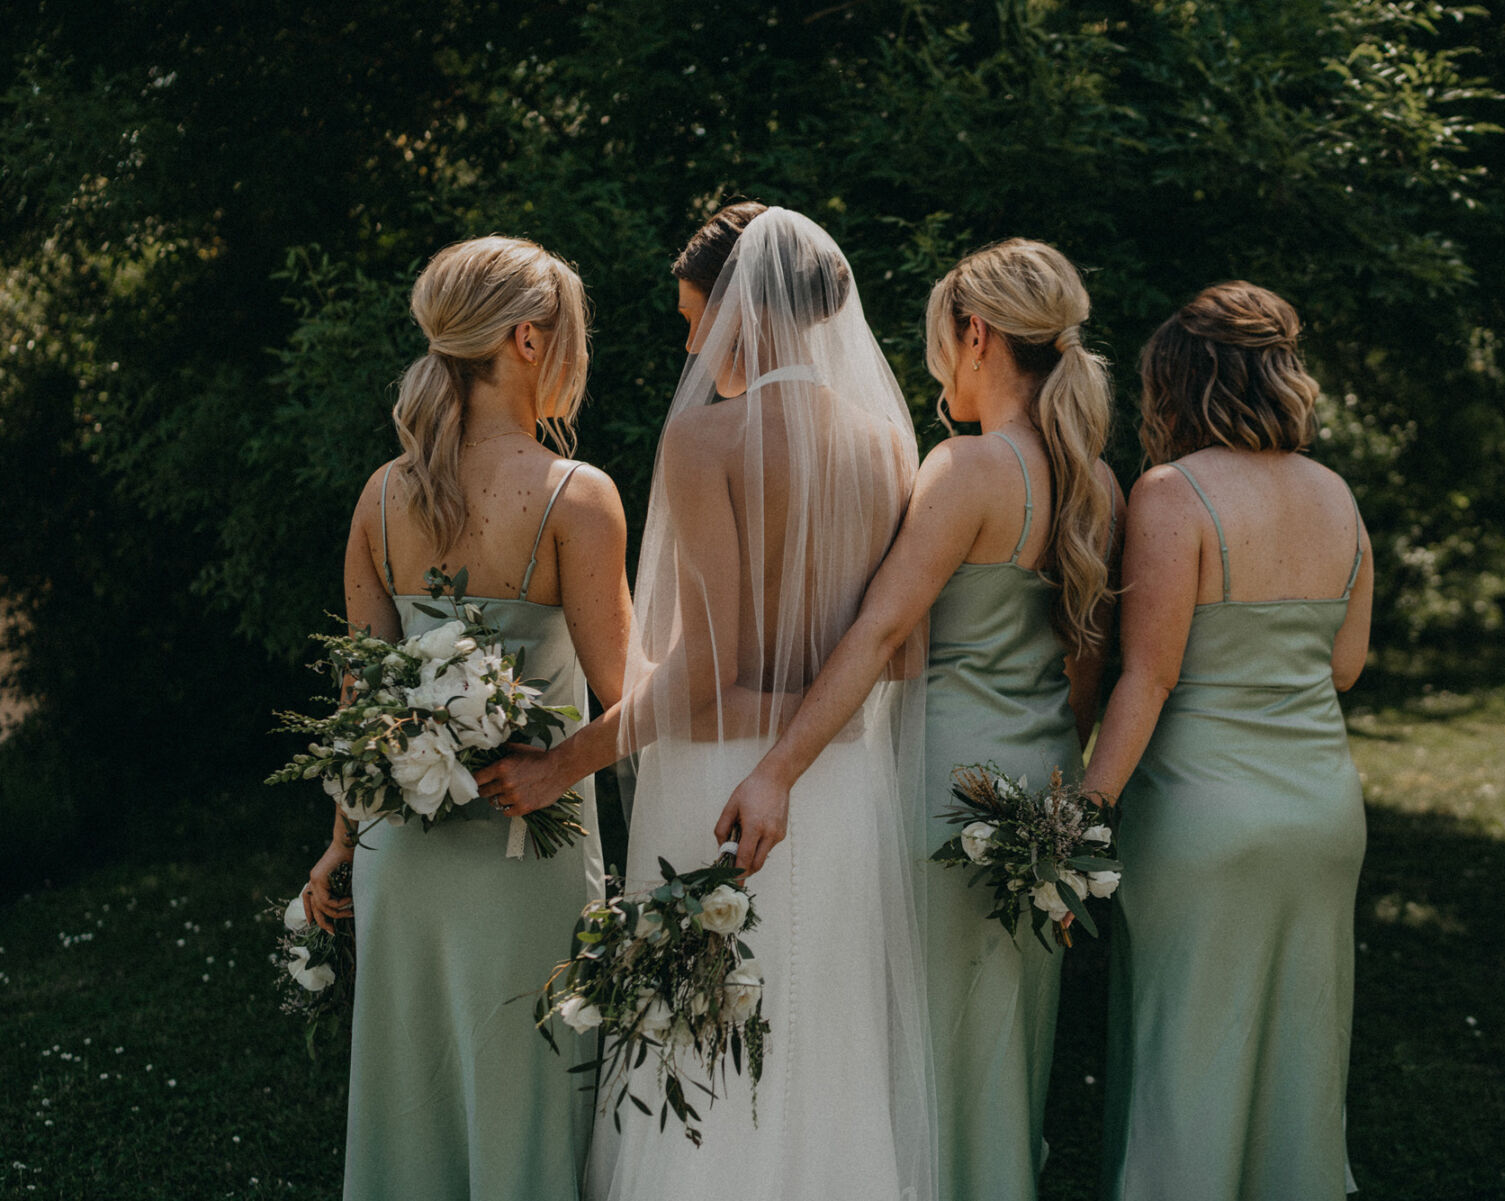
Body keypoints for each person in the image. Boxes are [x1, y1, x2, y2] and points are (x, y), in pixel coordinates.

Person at [478, 205, 936, 1201]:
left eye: (695, 318)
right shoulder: (887, 444)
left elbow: (701, 667)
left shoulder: (707, 437)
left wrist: (564, 762)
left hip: (718, 782)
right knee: (824, 1043)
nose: (691, 344)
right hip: (839, 779)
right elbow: (899, 660)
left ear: (745, 315)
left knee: (697, 1047)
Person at [727, 237, 1123, 1200]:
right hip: (1040, 807)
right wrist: (1062, 810)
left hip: (941, 798)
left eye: (944, 340)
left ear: (976, 335)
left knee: (920, 1050)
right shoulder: (1096, 482)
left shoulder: (968, 469)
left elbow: (877, 632)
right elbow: (1085, 671)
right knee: (1002, 1052)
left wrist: (777, 767)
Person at [300, 235, 631, 1200]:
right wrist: (560, 766)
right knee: (521, 1098)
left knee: (415, 1109)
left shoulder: (381, 495)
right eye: (569, 334)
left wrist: (338, 844)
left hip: (398, 855)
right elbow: (633, 702)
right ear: (528, 341)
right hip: (521, 855)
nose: (577, 355)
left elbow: (360, 705)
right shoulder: (579, 497)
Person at [1083, 281, 1371, 1200]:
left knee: (1188, 1048)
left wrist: (1081, 812)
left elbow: (1149, 675)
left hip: (1206, 817)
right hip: (1323, 813)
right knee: (1300, 1054)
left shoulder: (1173, 494)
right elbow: (1345, 667)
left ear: (1179, 382)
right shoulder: (1336, 494)